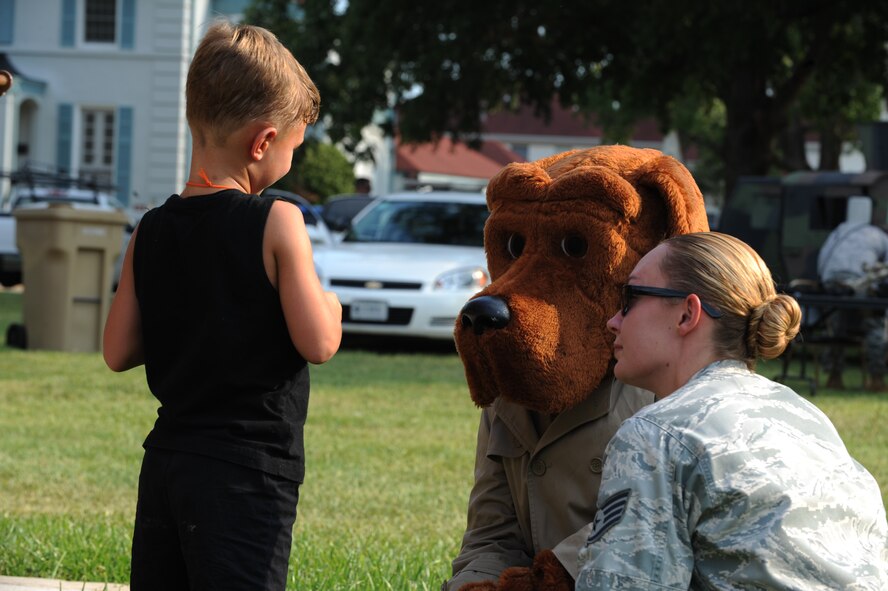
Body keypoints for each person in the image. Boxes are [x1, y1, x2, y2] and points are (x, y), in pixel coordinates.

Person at [102, 20, 342, 591]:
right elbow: (319, 343)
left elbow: (116, 351)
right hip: (246, 475)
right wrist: (329, 305)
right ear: (262, 142)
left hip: (167, 463)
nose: (290, 162)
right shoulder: (278, 220)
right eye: (293, 147)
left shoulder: (151, 229)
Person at [576, 232, 887, 590]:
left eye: (629, 298)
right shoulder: (806, 418)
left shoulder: (656, 434)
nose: (613, 321)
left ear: (687, 314)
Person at [817, 204, 888, 391]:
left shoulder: (841, 230)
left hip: (831, 282)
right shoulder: (881, 236)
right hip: (859, 284)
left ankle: (834, 377)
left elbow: (823, 258)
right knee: (875, 323)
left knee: (834, 328)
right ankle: (876, 378)